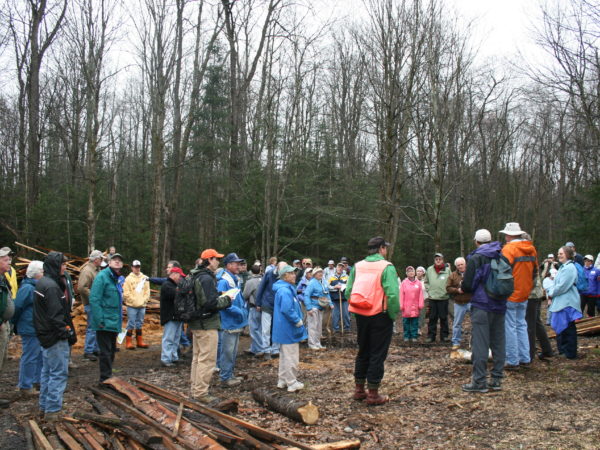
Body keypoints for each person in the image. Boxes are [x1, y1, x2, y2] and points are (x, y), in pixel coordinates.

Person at [346, 237, 399, 405]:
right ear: (381, 249)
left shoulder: (357, 266)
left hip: (361, 315)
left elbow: (348, 291)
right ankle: (373, 394)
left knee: (363, 350)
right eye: (385, 248)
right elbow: (392, 295)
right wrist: (392, 314)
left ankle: (359, 390)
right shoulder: (387, 267)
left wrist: (357, 311)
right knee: (377, 353)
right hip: (380, 315)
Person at [460, 229, 507, 393]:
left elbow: (468, 285)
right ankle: (497, 379)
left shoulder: (476, 257)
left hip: (482, 304)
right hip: (500, 303)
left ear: (476, 241)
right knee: (498, 341)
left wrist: (461, 288)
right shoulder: (501, 255)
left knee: (480, 343)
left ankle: (479, 381)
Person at [33, 252, 77, 421]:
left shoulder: (44, 282)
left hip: (46, 335)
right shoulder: (51, 287)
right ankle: (53, 410)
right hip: (54, 337)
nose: (65, 267)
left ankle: (44, 406)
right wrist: (65, 333)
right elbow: (55, 316)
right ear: (54, 265)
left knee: (47, 372)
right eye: (63, 264)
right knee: (58, 373)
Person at [188, 249, 232, 403]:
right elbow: (209, 303)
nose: (218, 262)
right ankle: (200, 393)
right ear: (210, 260)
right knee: (207, 360)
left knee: (198, 358)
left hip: (197, 322)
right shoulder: (206, 279)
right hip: (206, 324)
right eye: (216, 259)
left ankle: (195, 388)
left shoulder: (195, 275)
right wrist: (227, 299)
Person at [500, 224, 538, 369]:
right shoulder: (531, 249)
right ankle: (525, 358)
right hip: (524, 293)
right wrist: (527, 288)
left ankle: (512, 360)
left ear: (509, 235)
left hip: (510, 293)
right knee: (522, 324)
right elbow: (535, 272)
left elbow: (501, 272)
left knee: (510, 326)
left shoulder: (508, 249)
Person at [89, 253, 124, 382]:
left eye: (119, 261)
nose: (117, 262)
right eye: (114, 260)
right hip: (104, 321)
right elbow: (94, 299)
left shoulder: (117, 279)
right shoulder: (102, 277)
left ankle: (109, 375)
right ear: (109, 263)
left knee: (112, 350)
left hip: (114, 321)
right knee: (105, 351)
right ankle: (104, 378)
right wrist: (99, 320)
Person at [272, 265, 308, 392]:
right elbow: (287, 309)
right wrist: (297, 320)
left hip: (284, 328)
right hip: (288, 328)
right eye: (291, 273)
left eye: (294, 273)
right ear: (285, 276)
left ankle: (282, 380)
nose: (294, 275)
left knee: (284, 356)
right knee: (291, 356)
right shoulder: (285, 290)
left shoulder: (284, 289)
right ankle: (291, 383)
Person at [216, 253, 249, 387]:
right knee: (227, 352)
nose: (239, 266)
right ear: (229, 265)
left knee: (233, 351)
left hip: (235, 321)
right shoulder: (224, 282)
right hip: (228, 322)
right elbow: (222, 302)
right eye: (236, 263)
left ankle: (229, 374)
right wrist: (239, 312)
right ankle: (225, 378)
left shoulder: (234, 279)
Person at [12, 261, 44, 396]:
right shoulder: (27, 288)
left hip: (36, 326)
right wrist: (15, 324)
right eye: (42, 272)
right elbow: (17, 307)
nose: (44, 274)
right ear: (36, 274)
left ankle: (36, 381)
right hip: (29, 327)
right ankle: (25, 385)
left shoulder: (36, 286)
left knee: (39, 355)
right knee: (30, 356)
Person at [547, 246, 583, 359]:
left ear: (567, 254)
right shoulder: (564, 267)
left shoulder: (569, 268)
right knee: (563, 327)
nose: (559, 255)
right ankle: (564, 350)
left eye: (561, 253)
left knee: (568, 327)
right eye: (558, 253)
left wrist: (551, 292)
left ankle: (570, 352)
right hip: (562, 301)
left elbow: (562, 286)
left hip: (567, 302)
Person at [78, 250, 104, 361]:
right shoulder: (87, 271)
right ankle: (88, 351)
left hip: (97, 304)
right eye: (101, 259)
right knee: (92, 327)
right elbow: (82, 287)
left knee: (97, 326)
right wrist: (94, 297)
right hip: (91, 304)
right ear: (96, 259)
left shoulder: (96, 270)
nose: (102, 260)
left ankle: (95, 349)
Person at [255, 262, 283, 360]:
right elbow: (261, 287)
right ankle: (266, 349)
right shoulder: (269, 274)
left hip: (278, 305)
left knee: (277, 327)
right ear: (277, 267)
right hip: (267, 303)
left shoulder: (284, 276)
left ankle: (275, 349)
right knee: (266, 328)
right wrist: (258, 303)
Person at [160, 266, 186, 367]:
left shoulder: (174, 285)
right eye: (180, 276)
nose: (180, 278)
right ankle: (166, 359)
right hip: (170, 316)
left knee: (175, 339)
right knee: (169, 339)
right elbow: (176, 295)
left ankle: (173, 357)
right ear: (174, 274)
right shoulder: (167, 285)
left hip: (177, 317)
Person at [303, 267, 333, 350]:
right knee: (313, 326)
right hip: (313, 307)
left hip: (321, 307)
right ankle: (312, 344)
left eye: (321, 272)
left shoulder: (323, 282)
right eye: (318, 272)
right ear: (314, 275)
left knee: (319, 327)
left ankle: (317, 343)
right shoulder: (312, 283)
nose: (320, 274)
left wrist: (330, 303)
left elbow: (327, 294)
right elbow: (306, 295)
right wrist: (309, 308)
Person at [123, 260, 150, 349]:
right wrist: (134, 301)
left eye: (138, 267)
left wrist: (144, 300)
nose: (137, 268)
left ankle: (139, 341)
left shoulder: (145, 278)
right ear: (132, 268)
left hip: (142, 305)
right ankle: (128, 342)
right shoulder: (128, 279)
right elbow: (126, 293)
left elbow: (147, 292)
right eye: (135, 267)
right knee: (131, 323)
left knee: (140, 323)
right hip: (132, 306)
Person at [526, 274, 554, 361]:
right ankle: (547, 350)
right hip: (536, 294)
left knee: (530, 325)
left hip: (530, 295)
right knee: (536, 323)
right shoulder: (533, 260)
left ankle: (529, 355)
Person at [425, 253, 451, 343]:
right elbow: (426, 281)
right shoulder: (429, 269)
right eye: (436, 259)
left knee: (444, 317)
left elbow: (450, 282)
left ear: (442, 260)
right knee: (432, 318)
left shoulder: (447, 270)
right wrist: (429, 290)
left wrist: (447, 291)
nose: (438, 260)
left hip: (444, 298)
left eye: (440, 259)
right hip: (432, 298)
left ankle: (444, 336)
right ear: (434, 260)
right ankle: (431, 336)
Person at [446, 257, 472, 349]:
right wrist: (457, 290)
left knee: (475, 323)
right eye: (458, 265)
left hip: (471, 301)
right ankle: (456, 342)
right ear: (456, 266)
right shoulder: (452, 275)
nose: (460, 266)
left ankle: (474, 342)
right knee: (457, 323)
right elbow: (448, 288)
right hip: (459, 302)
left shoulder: (471, 273)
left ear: (465, 264)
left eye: (462, 264)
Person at [0, 247, 15, 384]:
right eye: (5, 260)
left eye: (9, 260)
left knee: (2, 359)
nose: (9, 263)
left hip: (5, 323)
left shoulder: (3, 277)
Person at [243, 264, 263, 356]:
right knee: (261, 328)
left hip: (254, 307)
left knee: (254, 328)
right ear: (260, 270)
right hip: (264, 307)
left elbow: (245, 295)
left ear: (251, 271)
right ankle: (254, 348)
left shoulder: (250, 282)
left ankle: (259, 349)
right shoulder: (263, 279)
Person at [400, 266, 424, 342]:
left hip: (415, 306)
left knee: (415, 322)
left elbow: (421, 294)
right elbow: (401, 295)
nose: (411, 272)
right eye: (409, 271)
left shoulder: (419, 283)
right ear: (406, 273)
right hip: (406, 306)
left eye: (412, 271)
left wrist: (421, 304)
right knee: (406, 322)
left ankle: (414, 336)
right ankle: (406, 336)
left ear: (414, 273)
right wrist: (401, 305)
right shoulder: (403, 283)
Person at [329, 263, 350, 332]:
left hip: (344, 298)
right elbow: (327, 287)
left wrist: (344, 287)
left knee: (346, 314)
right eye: (339, 267)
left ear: (343, 268)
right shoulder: (331, 277)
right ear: (336, 268)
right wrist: (334, 287)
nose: (340, 268)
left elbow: (349, 286)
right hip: (334, 298)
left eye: (342, 267)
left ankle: (347, 328)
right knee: (335, 315)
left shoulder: (346, 276)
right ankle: (336, 328)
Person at [416, 266, 427, 335]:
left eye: (421, 271)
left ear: (423, 273)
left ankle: (419, 328)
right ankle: (413, 328)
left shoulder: (425, 281)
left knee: (421, 315)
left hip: (424, 300)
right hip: (414, 300)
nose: (419, 272)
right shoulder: (413, 280)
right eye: (418, 271)